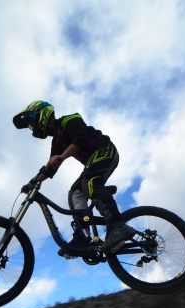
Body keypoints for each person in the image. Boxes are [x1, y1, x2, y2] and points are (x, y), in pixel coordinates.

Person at [13, 100, 135, 254]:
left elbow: (80, 140)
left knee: (90, 182)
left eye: (32, 122)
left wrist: (61, 157)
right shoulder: (56, 142)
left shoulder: (69, 120)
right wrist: (32, 182)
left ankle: (117, 226)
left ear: (42, 114)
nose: (32, 127)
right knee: (75, 193)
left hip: (105, 151)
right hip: (92, 162)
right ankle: (82, 236)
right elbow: (50, 168)